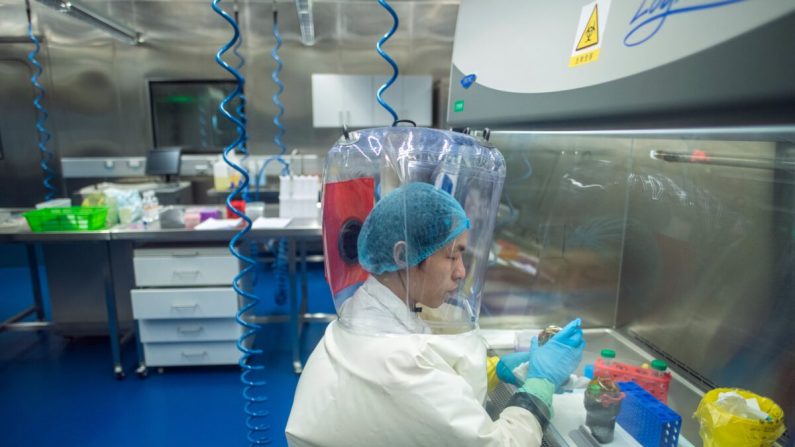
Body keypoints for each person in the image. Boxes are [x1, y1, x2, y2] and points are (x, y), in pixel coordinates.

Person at [286, 182, 585, 446]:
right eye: (452, 256)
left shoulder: (367, 310)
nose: (461, 272)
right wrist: (539, 385)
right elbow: (501, 444)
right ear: (403, 256)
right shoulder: (400, 364)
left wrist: (490, 370)